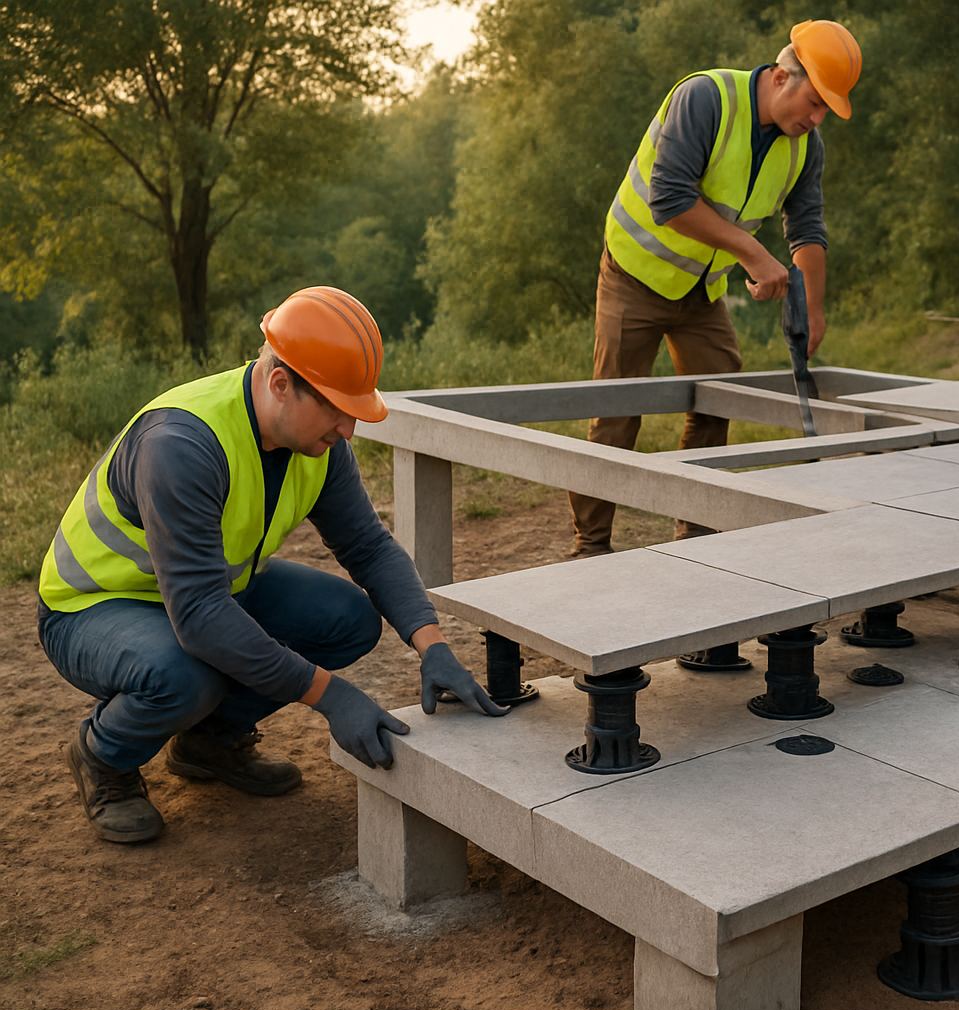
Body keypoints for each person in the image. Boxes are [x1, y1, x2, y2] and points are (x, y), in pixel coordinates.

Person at [38, 285, 508, 844]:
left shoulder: (319, 445)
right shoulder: (182, 444)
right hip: (92, 606)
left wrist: (435, 648)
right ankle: (104, 758)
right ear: (281, 384)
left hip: (207, 593)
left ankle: (209, 742)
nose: (348, 430)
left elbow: (368, 547)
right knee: (186, 676)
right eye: (337, 409)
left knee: (349, 620)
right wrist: (332, 696)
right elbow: (201, 619)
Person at [567, 19, 862, 557]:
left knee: (717, 399)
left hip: (702, 291)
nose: (817, 119)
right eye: (815, 103)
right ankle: (591, 548)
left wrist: (813, 310)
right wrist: (752, 253)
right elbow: (670, 199)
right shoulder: (705, 97)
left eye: (827, 111)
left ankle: (696, 535)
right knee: (616, 411)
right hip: (635, 274)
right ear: (780, 77)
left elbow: (807, 227)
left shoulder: (804, 147)